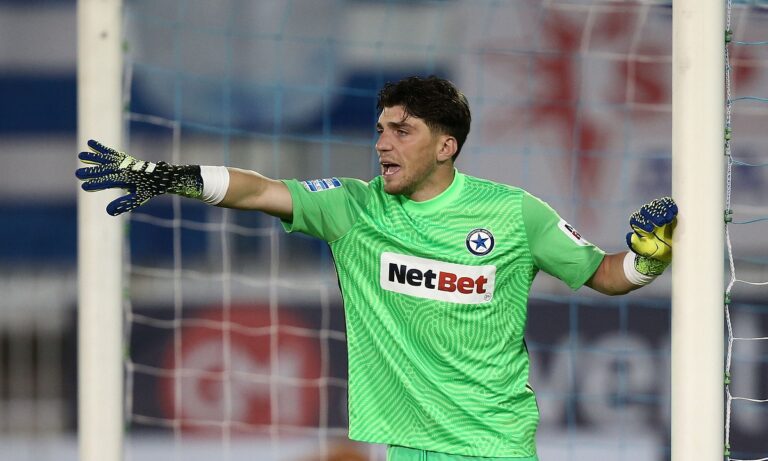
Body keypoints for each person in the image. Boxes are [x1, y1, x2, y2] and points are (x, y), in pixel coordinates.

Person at [76, 76, 677, 461]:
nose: (382, 144)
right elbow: (258, 190)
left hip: (493, 444)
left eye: (402, 131)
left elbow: (605, 274)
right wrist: (167, 176)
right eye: (380, 130)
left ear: (446, 146)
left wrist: (649, 258)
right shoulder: (354, 208)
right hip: (407, 444)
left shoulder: (515, 213)